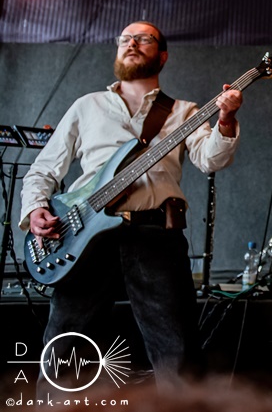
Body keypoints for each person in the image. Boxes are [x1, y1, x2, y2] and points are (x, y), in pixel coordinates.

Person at [21, 21, 243, 388]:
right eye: (125, 38)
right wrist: (35, 209)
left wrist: (226, 118)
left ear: (163, 55)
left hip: (156, 235)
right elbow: (44, 169)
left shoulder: (184, 111)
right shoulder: (87, 106)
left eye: (143, 38)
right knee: (64, 347)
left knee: (178, 353)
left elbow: (211, 160)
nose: (132, 43)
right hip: (82, 238)